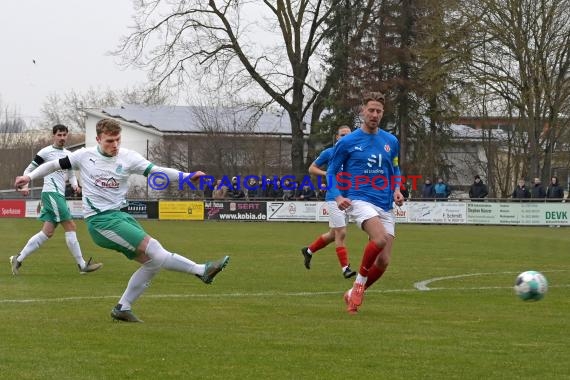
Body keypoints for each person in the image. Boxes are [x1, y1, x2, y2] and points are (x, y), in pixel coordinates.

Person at [15, 118, 230, 323]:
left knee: (153, 263)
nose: (115, 145)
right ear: (98, 139)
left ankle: (123, 308)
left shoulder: (128, 157)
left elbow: (155, 170)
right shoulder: (84, 155)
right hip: (100, 222)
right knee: (154, 248)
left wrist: (185, 176)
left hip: (120, 216)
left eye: (118, 140)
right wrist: (29, 177)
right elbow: (53, 166)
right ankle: (202, 270)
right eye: (109, 141)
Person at [326, 92, 404, 314]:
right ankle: (359, 283)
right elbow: (331, 171)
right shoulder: (347, 142)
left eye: (379, 111)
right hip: (359, 199)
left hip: (385, 202)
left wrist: (397, 189)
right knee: (378, 239)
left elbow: (395, 167)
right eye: (371, 110)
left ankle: (352, 293)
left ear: (382, 113)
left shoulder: (391, 141)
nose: (375, 114)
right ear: (362, 111)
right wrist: (338, 196)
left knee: (384, 262)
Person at [10, 124, 102, 276]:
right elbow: (28, 171)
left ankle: (18, 258)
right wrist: (25, 185)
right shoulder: (45, 152)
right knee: (71, 226)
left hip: (58, 195)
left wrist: (75, 185)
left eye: (64, 135)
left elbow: (71, 174)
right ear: (53, 135)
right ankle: (82, 265)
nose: (62, 138)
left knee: (47, 232)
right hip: (51, 193)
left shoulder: (69, 154)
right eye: (59, 135)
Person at [300, 125, 356, 279]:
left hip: (349, 197)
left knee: (333, 234)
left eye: (348, 135)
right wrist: (327, 173)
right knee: (341, 232)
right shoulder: (329, 152)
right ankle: (345, 268)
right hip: (334, 197)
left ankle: (309, 250)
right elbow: (311, 169)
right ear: (337, 137)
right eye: (342, 135)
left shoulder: (354, 154)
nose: (345, 137)